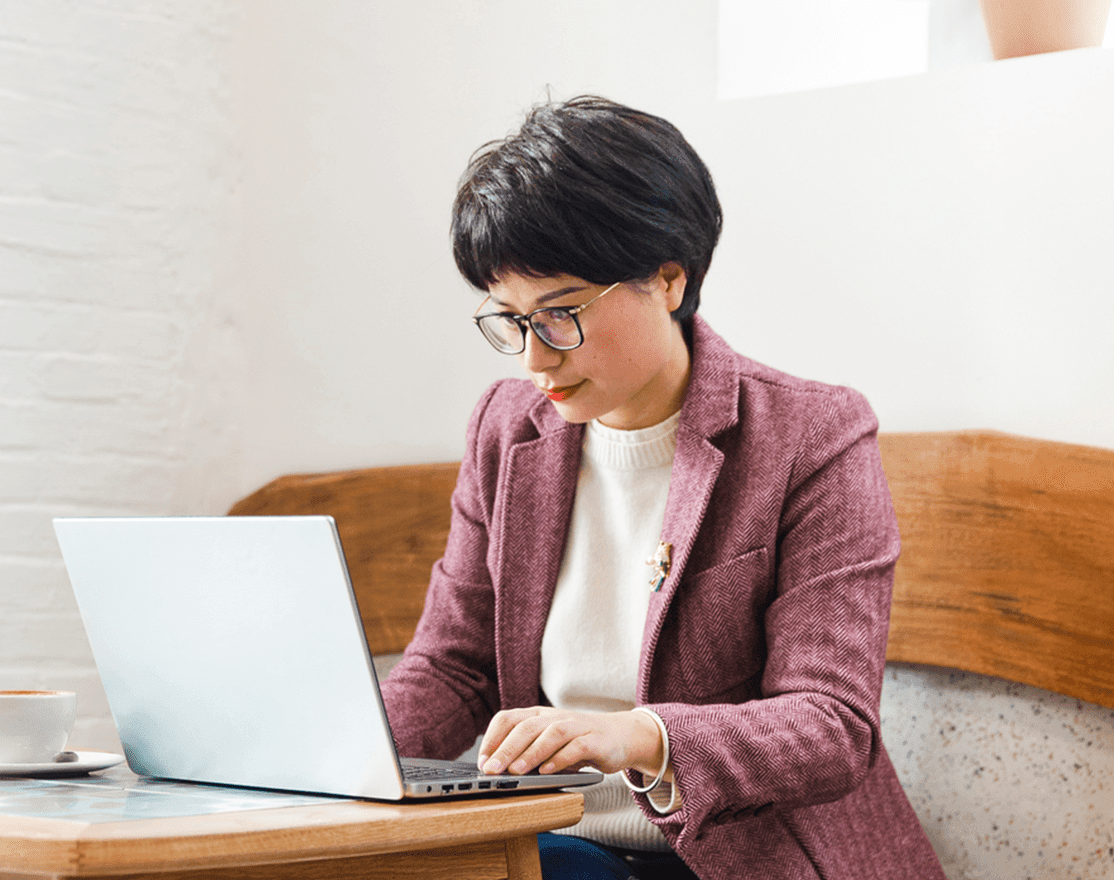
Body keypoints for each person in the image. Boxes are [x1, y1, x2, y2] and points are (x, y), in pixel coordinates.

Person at [378, 96, 946, 880]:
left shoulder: (812, 436)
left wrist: (641, 735)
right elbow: (455, 666)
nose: (532, 360)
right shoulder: (508, 430)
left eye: (560, 313)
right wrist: (333, 748)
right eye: (509, 319)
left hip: (733, 858)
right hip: (556, 842)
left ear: (669, 280)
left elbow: (831, 723)